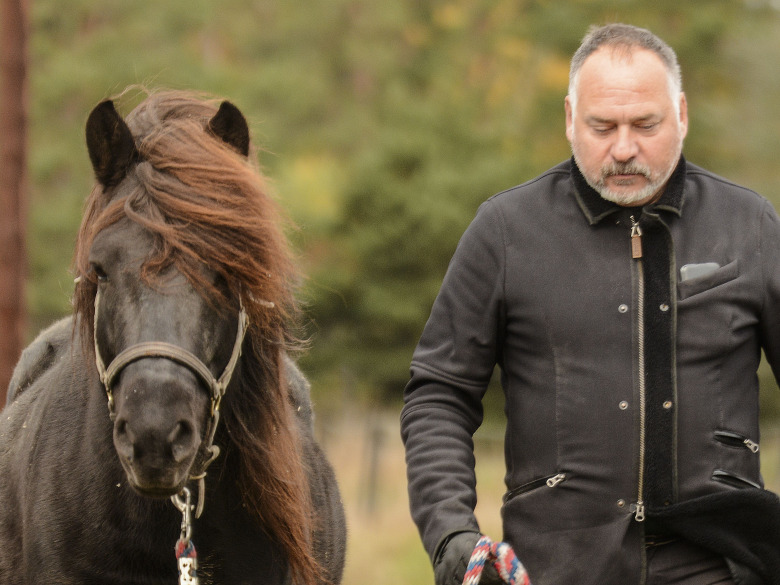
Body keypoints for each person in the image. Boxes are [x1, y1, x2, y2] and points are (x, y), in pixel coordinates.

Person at [401, 23, 780, 585]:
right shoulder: (504, 231)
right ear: (570, 119)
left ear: (681, 114)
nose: (623, 148)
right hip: (556, 566)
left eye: (645, 125)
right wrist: (450, 532)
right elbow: (438, 394)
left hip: (725, 566)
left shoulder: (751, 224)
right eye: (602, 126)